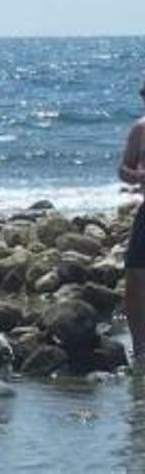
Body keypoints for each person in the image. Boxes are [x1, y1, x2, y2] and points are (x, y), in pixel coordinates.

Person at [119, 81, 145, 370]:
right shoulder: (140, 129)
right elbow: (122, 169)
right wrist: (136, 176)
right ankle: (140, 350)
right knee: (135, 279)